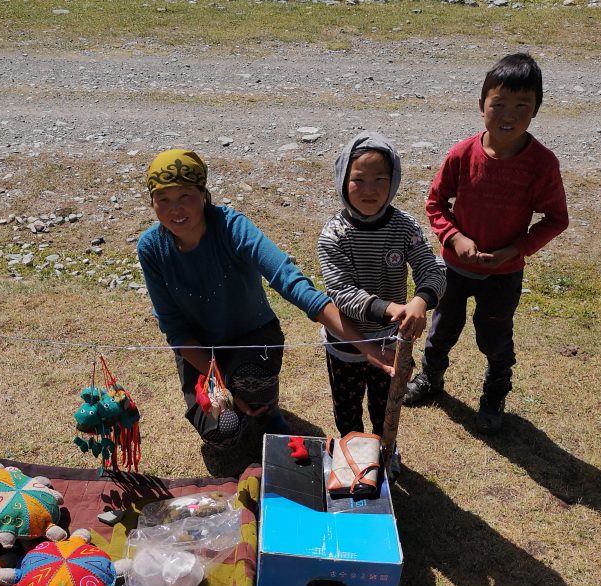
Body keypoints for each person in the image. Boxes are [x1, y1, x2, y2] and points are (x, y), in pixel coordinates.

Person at [137, 148, 395, 450]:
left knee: (253, 383)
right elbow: (176, 331)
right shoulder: (151, 248)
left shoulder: (232, 227)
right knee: (221, 433)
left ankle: (268, 412)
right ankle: (240, 401)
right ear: (152, 202)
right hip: (201, 351)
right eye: (163, 199)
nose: (175, 210)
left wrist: (364, 346)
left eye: (185, 196)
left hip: (254, 337)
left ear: (203, 194)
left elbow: (291, 282)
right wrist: (224, 389)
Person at [405, 52, 569, 435]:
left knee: (495, 335)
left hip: (504, 274)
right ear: (482, 106)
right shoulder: (462, 154)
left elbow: (556, 219)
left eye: (521, 106)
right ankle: (431, 379)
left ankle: (494, 394)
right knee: (442, 328)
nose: (508, 115)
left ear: (535, 111)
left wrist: (516, 249)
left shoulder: (542, 164)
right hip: (454, 267)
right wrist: (455, 237)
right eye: (499, 104)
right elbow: (435, 203)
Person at [318, 131, 446, 444]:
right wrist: (390, 309)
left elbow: (434, 268)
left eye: (380, 179)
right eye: (359, 179)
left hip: (391, 342)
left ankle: (386, 451)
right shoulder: (334, 234)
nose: (370, 190)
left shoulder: (404, 226)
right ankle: (353, 456)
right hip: (346, 342)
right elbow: (342, 292)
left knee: (386, 405)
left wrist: (419, 301)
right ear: (342, 179)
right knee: (347, 410)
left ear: (395, 181)